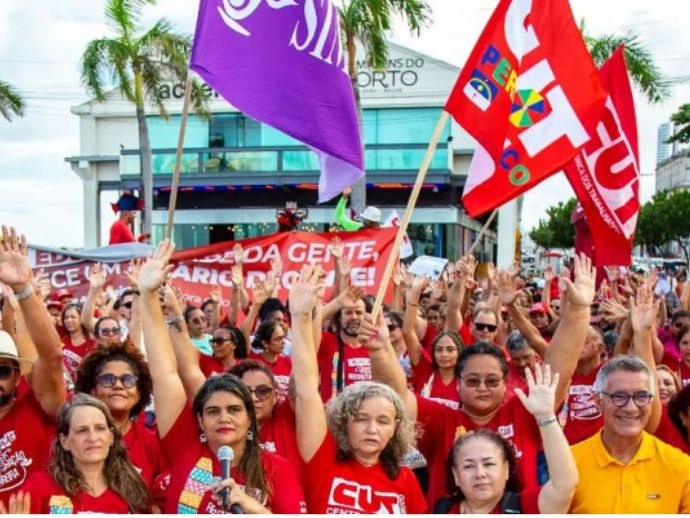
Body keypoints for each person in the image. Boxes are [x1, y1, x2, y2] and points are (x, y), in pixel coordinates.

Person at [369, 254, 596, 508]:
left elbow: (560, 368)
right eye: (473, 380)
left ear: (505, 382)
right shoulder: (441, 420)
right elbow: (395, 396)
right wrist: (379, 349)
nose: (482, 388)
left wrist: (578, 311)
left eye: (491, 380)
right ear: (458, 383)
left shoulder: (525, 412)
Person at [137, 240, 306, 514]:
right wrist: (146, 294)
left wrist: (253, 508)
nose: (224, 418)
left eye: (234, 410)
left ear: (250, 416)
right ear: (200, 420)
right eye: (213, 411)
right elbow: (165, 373)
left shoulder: (276, 469)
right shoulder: (185, 446)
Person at [289, 264, 427, 513]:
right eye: (361, 419)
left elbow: (399, 395)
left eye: (384, 421)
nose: (372, 430)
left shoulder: (406, 480)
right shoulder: (321, 458)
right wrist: (299, 317)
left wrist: (382, 349)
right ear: (343, 421)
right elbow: (307, 389)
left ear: (396, 427)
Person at [437, 364, 578, 514]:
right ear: (456, 476)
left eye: (489, 464)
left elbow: (565, 485)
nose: (480, 473)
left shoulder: (526, 507)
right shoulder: (443, 509)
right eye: (468, 466)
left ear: (506, 470)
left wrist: (546, 417)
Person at [569, 355, 690, 513]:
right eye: (619, 396)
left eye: (641, 397)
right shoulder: (570, 463)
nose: (631, 408)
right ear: (598, 402)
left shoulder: (680, 466)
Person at [0, 226, 67, 505]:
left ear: (18, 377)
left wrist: (23, 290)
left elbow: (51, 355)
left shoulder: (37, 406)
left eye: (2, 371)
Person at [20, 393, 151, 513]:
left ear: (110, 437)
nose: (93, 438)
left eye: (100, 428)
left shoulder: (133, 488)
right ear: (64, 441)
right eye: (82, 430)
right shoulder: (38, 487)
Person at [74, 342, 166, 497]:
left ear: (138, 394)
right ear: (92, 391)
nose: (118, 385)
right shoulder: (73, 436)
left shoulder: (151, 443)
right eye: (107, 379)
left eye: (128, 380)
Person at [404, 276, 462, 408]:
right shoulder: (425, 369)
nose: (444, 354)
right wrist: (414, 292)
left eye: (450, 349)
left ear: (460, 352)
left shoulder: (467, 379)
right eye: (439, 350)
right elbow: (408, 332)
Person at [249, 321, 291, 403]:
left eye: (283, 338)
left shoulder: (288, 362)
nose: (283, 342)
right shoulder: (254, 362)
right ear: (265, 343)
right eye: (278, 339)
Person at [60, 303, 95, 391]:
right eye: (66, 317)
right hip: (64, 391)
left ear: (81, 319)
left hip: (85, 389)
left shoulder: (92, 342)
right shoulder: (60, 341)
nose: (68, 320)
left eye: (73, 317)